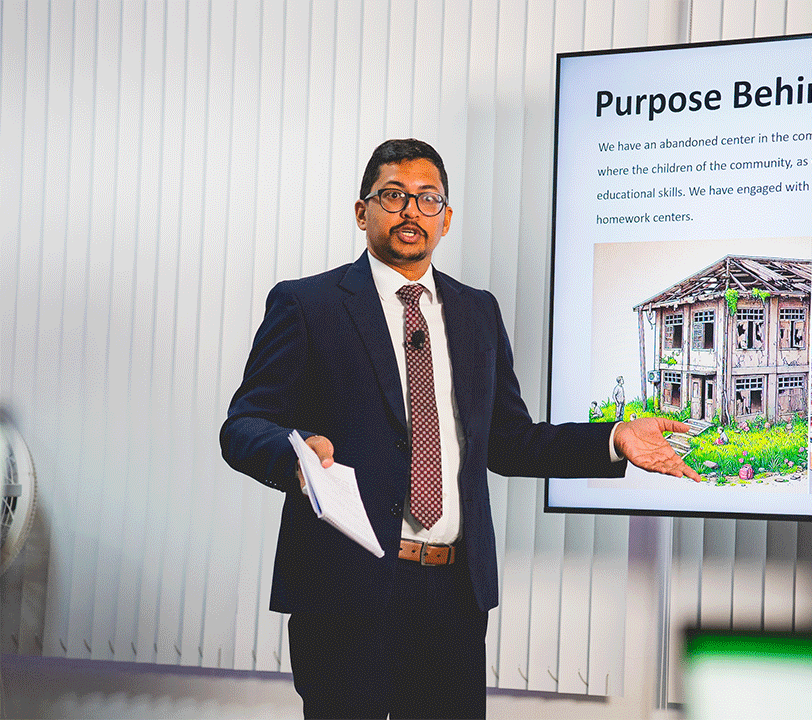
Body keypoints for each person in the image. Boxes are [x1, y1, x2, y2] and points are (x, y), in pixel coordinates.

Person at [220, 139, 700, 719]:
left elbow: (511, 442)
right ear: (362, 211)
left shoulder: (477, 312)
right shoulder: (307, 304)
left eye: (428, 199)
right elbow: (243, 425)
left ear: (446, 219)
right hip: (345, 594)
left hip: (451, 599)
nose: (410, 211)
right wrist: (294, 455)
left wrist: (612, 438)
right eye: (393, 195)